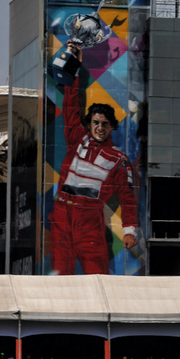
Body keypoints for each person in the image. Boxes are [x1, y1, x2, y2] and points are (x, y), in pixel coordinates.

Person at [50, 44, 138, 275]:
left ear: (112, 127)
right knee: (60, 275)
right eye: (96, 122)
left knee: (98, 276)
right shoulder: (77, 138)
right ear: (89, 124)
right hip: (62, 214)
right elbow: (70, 105)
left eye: (105, 124)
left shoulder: (118, 159)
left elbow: (128, 199)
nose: (100, 127)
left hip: (89, 219)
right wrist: (76, 66)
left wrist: (129, 231)